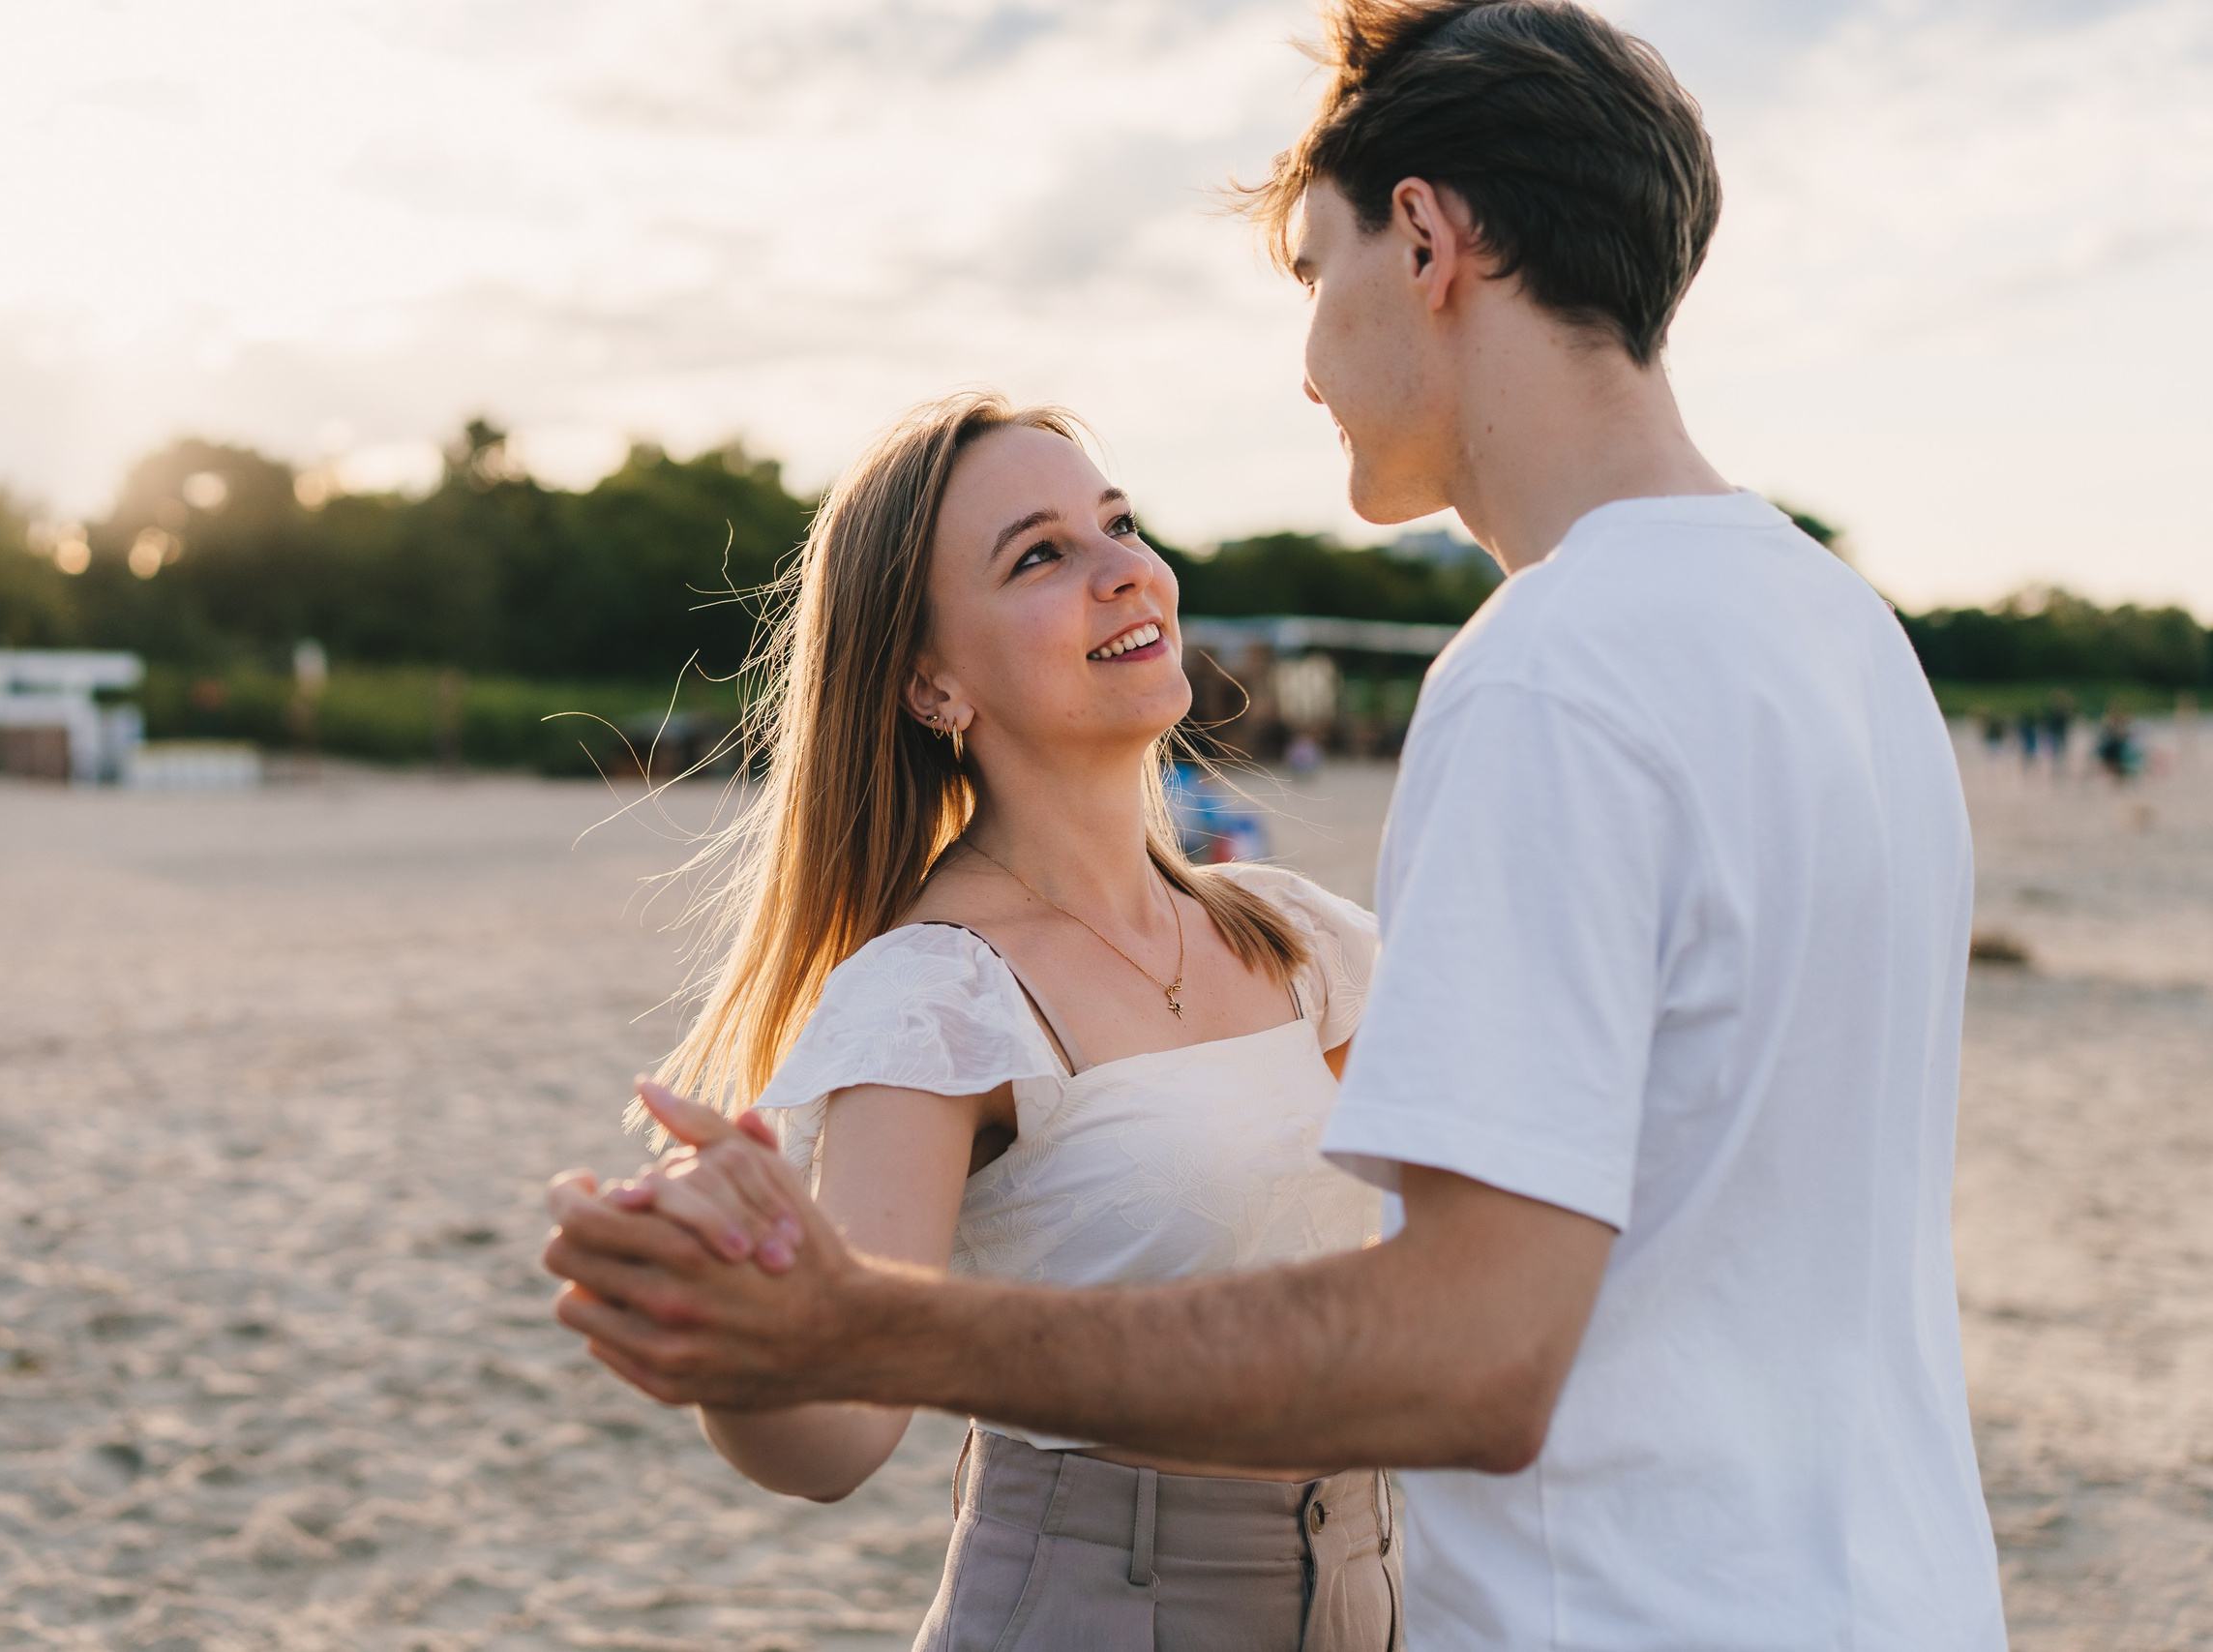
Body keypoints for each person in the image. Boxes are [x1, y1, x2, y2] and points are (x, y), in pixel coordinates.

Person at [548, 1, 2011, 1646]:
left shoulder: (1544, 678)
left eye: (1314, 278)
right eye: (1042, 552)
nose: (1307, 361)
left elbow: (1470, 1355)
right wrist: (793, 1330)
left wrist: (873, 1328)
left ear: (1426, 239)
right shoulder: (1846, 634)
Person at [585, 390, 1401, 1648]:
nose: (1124, 571)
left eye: (1119, 524)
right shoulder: (939, 994)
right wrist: (736, 1329)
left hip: (1384, 1586)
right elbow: (838, 1431)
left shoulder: (1299, 937)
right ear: (930, 683)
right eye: (1042, 554)